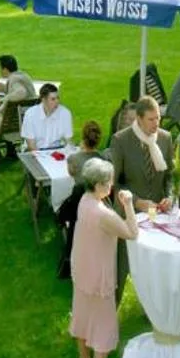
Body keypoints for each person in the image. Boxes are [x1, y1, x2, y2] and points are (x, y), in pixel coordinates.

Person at [69, 158, 140, 358]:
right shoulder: (102, 213)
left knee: (82, 315)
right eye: (108, 181)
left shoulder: (84, 200)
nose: (112, 184)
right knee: (105, 328)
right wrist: (129, 204)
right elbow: (132, 233)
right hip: (99, 276)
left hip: (81, 269)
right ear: (99, 184)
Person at [57, 119, 110, 279]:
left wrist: (80, 150)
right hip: (99, 203)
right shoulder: (103, 159)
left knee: (64, 213)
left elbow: (72, 174)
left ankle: (68, 255)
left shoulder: (73, 159)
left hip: (80, 203)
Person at [108, 98, 175, 210]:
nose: (156, 123)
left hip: (158, 210)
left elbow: (170, 175)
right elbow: (114, 183)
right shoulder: (120, 140)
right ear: (139, 118)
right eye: (151, 119)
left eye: (158, 118)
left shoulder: (165, 138)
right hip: (130, 211)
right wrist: (136, 202)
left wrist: (169, 196)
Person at [19, 83, 73, 152]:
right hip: (34, 151)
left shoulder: (65, 113)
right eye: (53, 99)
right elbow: (31, 145)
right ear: (43, 100)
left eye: (58, 98)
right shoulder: (30, 114)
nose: (57, 101)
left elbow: (68, 141)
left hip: (56, 150)